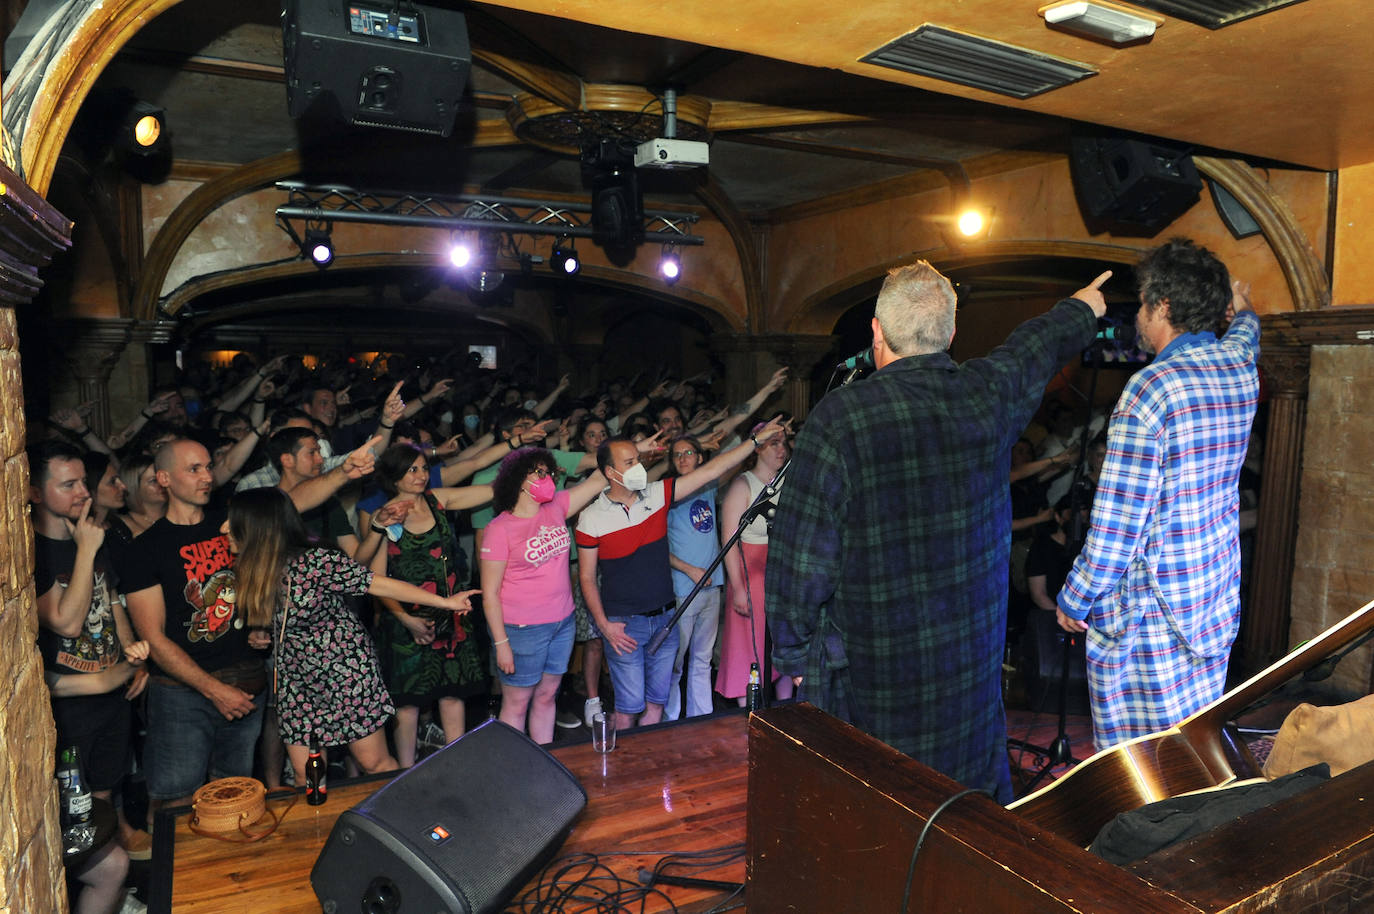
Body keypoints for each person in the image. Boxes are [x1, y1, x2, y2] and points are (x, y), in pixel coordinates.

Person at [767, 260, 1106, 803]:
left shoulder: (843, 418)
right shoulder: (985, 396)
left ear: (876, 331)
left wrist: (794, 654)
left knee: (875, 804)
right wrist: (1083, 307)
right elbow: (1031, 348)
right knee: (961, 811)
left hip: (872, 670)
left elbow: (802, 558)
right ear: (950, 334)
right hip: (966, 664)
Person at [1057, 239, 1260, 750]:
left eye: (1144, 304)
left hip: (1152, 622)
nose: (1140, 317)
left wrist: (1075, 598)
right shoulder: (1239, 367)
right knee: (1193, 751)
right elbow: (1247, 334)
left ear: (1163, 307)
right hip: (1210, 602)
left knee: (1140, 770)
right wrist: (1242, 307)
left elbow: (1117, 527)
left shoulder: (1151, 389)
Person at [226, 487, 476, 784]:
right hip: (297, 679)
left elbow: (379, 584)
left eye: (232, 520)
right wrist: (259, 631)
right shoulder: (248, 567)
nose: (224, 528)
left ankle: (399, 817)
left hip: (344, 671)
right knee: (307, 776)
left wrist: (446, 602)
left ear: (256, 527)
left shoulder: (315, 562)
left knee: (374, 763)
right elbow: (272, 615)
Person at [576, 417, 787, 732]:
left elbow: (712, 470)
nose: (638, 467)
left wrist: (754, 443)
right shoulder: (591, 518)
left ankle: (650, 765)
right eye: (630, 462)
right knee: (627, 707)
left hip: (665, 617)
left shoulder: (656, 495)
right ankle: (625, 773)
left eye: (638, 461)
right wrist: (604, 625)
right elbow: (587, 578)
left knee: (656, 704)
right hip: (625, 624)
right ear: (610, 472)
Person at [369, 444, 494, 766]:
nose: (422, 475)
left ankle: (457, 765)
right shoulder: (384, 517)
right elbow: (375, 579)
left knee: (453, 694)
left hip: (451, 614)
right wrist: (406, 620)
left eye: (424, 468)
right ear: (394, 477)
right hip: (405, 621)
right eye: (412, 469)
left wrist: (522, 471)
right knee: (408, 704)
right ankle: (406, 773)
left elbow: (492, 490)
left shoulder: (439, 500)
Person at [478, 448, 607, 743]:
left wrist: (636, 451)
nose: (548, 478)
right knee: (516, 704)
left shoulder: (556, 506)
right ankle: (512, 772)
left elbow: (599, 480)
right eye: (540, 473)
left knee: (548, 696)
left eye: (548, 472)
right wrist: (501, 644)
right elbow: (490, 594)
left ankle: (545, 762)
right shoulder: (499, 529)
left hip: (562, 622)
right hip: (521, 629)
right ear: (518, 480)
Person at [716, 423, 794, 706]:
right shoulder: (743, 485)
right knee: (749, 645)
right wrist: (737, 586)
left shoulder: (790, 481)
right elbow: (728, 541)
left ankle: (786, 708)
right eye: (774, 443)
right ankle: (748, 713)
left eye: (784, 442)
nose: (781, 449)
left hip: (783, 572)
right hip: (751, 572)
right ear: (758, 447)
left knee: (784, 640)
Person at [663, 434, 724, 720]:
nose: (683, 458)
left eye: (689, 452)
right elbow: (657, 549)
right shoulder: (668, 494)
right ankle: (670, 718)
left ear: (700, 458)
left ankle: (701, 716)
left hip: (712, 586)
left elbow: (730, 464)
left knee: (702, 657)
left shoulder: (708, 486)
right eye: (677, 454)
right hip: (683, 588)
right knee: (675, 660)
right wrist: (689, 569)